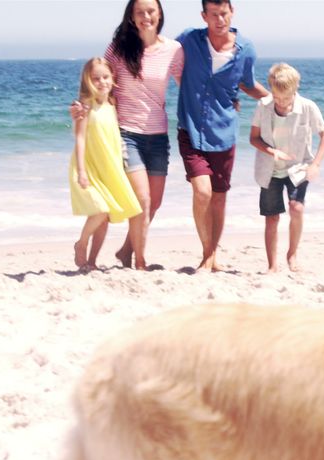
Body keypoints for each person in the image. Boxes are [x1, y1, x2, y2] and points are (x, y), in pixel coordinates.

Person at [71, 0, 184, 271]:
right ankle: (140, 263)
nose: (146, 16)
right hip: (126, 134)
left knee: (153, 204)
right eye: (140, 12)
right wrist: (81, 107)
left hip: (158, 135)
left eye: (151, 11)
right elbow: (99, 80)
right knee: (141, 200)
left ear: (159, 14)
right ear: (131, 17)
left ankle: (125, 251)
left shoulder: (174, 50)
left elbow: (187, 87)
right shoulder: (118, 49)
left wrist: (224, 101)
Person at [176, 0, 268, 271]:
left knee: (218, 196)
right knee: (202, 192)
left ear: (232, 13)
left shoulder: (246, 49)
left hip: (224, 132)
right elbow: (164, 60)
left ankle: (212, 254)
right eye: (213, 15)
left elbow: (247, 84)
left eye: (224, 14)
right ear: (204, 16)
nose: (219, 20)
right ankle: (207, 254)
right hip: (190, 129)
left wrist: (278, 99)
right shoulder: (189, 40)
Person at [249, 63, 324, 273]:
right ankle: (272, 265)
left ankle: (292, 254)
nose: (281, 103)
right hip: (270, 169)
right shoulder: (263, 105)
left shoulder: (308, 107)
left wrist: (315, 165)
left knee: (297, 208)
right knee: (272, 217)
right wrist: (271, 151)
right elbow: (254, 138)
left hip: (298, 166)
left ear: (295, 90)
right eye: (277, 97)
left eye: (286, 98)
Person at [68, 58, 143, 272]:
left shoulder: (112, 103)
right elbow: (80, 139)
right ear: (88, 81)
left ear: (113, 78)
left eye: (106, 77)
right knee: (100, 210)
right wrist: (82, 171)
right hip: (89, 167)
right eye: (96, 78)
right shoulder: (85, 106)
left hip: (109, 166)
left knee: (105, 218)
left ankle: (92, 262)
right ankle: (81, 243)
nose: (101, 82)